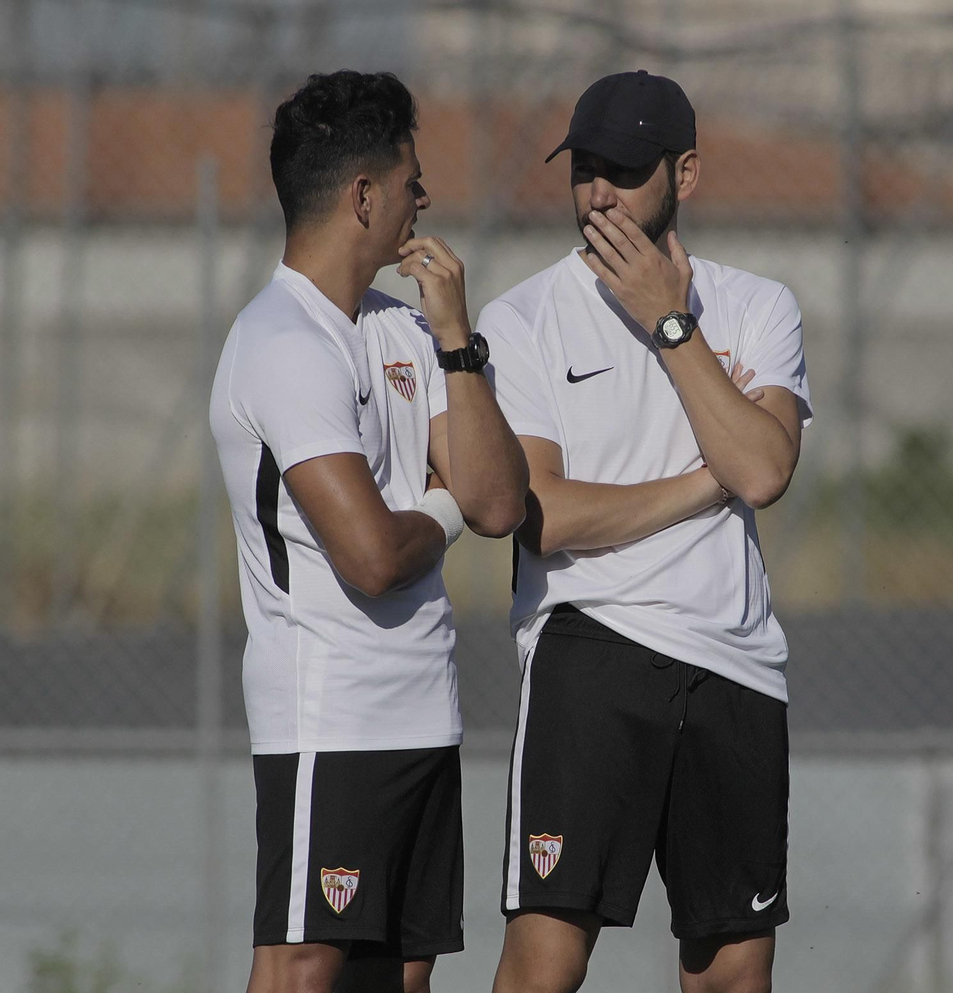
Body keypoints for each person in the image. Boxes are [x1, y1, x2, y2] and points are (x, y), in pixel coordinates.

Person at [479, 70, 810, 993]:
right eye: (585, 169)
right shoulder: (522, 318)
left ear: (685, 174)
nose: (599, 194)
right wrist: (711, 479)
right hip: (591, 647)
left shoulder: (757, 307)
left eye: (624, 171)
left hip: (735, 666)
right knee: (545, 962)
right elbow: (544, 515)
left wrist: (669, 322)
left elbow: (770, 472)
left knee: (731, 974)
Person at [210, 70, 527, 993]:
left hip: (425, 711)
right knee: (305, 965)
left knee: (402, 975)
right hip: (329, 714)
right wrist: (440, 502)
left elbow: (500, 503)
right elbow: (376, 556)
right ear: (363, 195)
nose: (425, 200)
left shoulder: (407, 330)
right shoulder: (281, 343)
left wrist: (459, 338)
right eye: (412, 180)